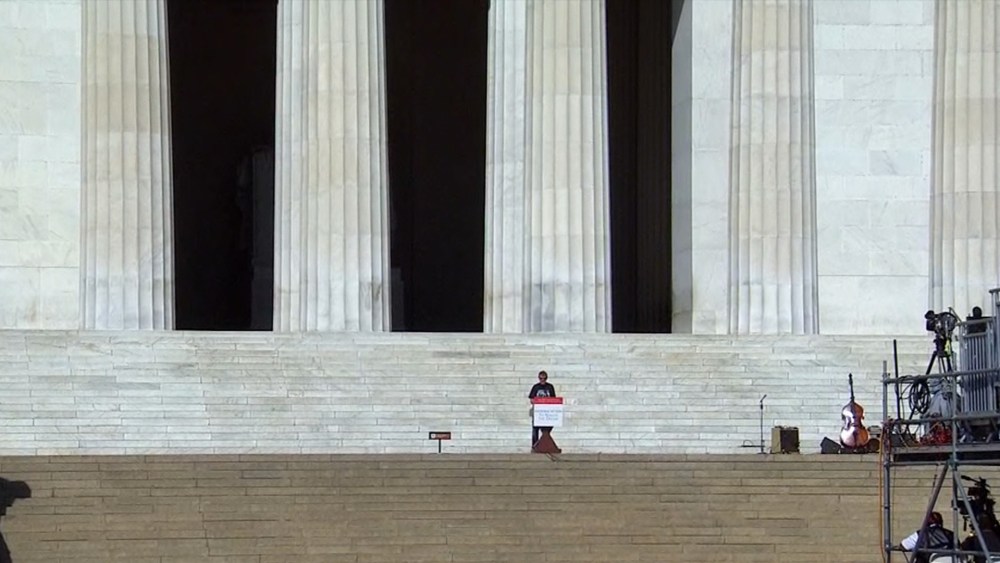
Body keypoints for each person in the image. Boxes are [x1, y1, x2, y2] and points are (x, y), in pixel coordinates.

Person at [528, 370, 556, 448]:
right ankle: (535, 445)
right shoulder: (536, 387)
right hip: (537, 411)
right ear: (539, 378)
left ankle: (544, 443)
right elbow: (531, 399)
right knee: (535, 429)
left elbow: (553, 399)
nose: (542, 380)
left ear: (546, 378)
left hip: (547, 412)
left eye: (544, 378)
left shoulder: (550, 387)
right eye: (541, 378)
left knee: (547, 429)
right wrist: (537, 402)